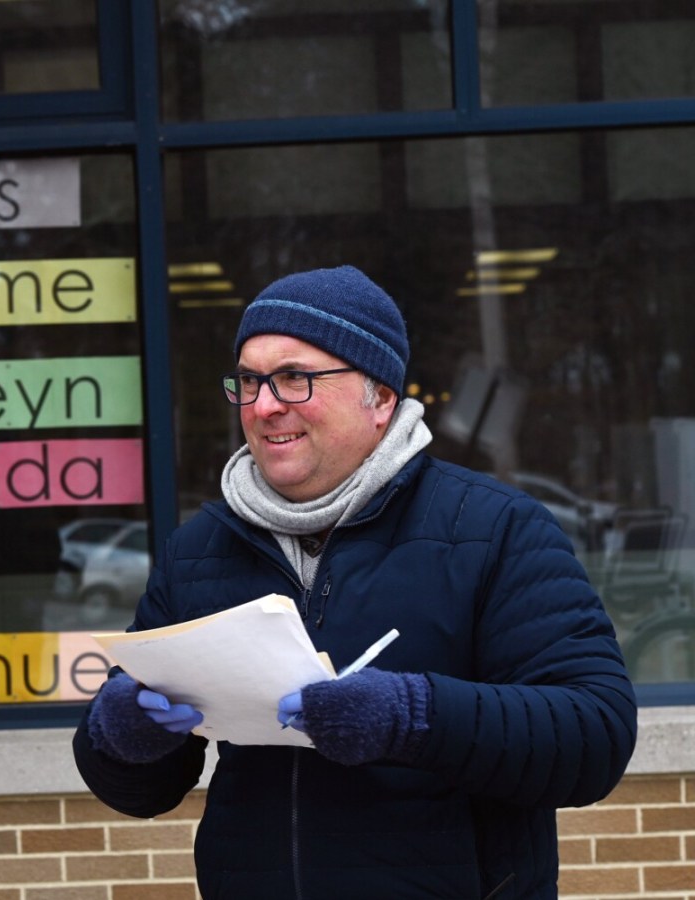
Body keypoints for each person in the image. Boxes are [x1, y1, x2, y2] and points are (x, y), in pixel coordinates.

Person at [72, 265, 637, 899]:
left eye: (296, 378)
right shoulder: (199, 551)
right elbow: (140, 792)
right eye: (250, 381)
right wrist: (120, 736)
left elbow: (594, 736)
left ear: (381, 398)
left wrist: (412, 717)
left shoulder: (493, 529)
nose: (264, 405)